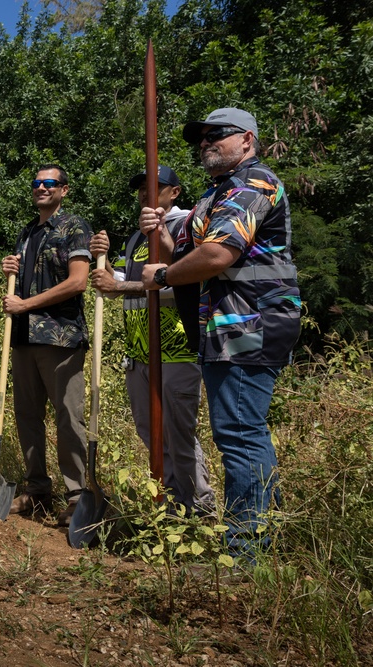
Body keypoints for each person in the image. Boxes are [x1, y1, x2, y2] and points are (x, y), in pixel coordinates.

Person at [140, 108, 301, 560]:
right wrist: (163, 240)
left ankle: (248, 551)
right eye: (201, 138)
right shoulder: (216, 195)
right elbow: (187, 257)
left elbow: (217, 256)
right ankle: (266, 534)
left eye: (218, 135)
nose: (206, 142)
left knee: (240, 433)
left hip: (251, 323)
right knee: (239, 431)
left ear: (247, 140)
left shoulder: (254, 183)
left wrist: (164, 275)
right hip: (222, 327)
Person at [89, 165, 215, 515]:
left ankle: (200, 511)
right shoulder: (135, 237)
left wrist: (123, 285)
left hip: (176, 349)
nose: (146, 193)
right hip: (140, 353)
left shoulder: (188, 225)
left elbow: (188, 282)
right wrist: (99, 261)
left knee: (179, 436)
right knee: (152, 434)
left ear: (174, 192)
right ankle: (174, 508)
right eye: (141, 187)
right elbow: (120, 284)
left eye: (155, 186)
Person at [1, 164, 92, 526]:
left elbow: (78, 282)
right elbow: (24, 280)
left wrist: (26, 304)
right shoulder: (28, 232)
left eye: (49, 183)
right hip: (24, 337)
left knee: (68, 417)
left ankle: (77, 495)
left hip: (60, 336)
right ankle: (37, 490)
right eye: (37, 183)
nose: (41, 188)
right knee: (27, 416)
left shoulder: (73, 227)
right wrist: (12, 269)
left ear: (64, 190)